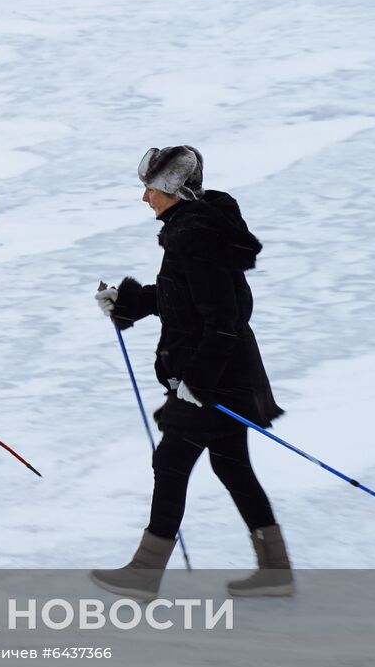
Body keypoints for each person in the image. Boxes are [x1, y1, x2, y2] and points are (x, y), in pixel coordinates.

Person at [90, 145, 292, 598]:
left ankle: (143, 574)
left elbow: (226, 316)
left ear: (171, 190)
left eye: (149, 189)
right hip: (225, 374)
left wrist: (199, 383)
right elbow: (185, 300)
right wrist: (130, 302)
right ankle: (276, 572)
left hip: (213, 379)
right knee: (232, 467)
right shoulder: (193, 228)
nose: (145, 198)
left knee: (172, 461)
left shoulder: (193, 236)